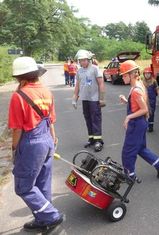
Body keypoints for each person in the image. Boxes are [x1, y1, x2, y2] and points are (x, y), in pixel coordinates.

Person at [8, 57, 63, 232]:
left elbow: (17, 129)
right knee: (42, 183)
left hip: (31, 143)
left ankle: (51, 216)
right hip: (47, 140)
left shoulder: (18, 96)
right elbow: (50, 120)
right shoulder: (47, 91)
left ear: (19, 77)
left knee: (23, 186)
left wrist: (14, 149)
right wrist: (53, 141)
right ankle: (42, 219)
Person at [119, 60, 159, 181]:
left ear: (131, 74)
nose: (122, 77)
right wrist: (126, 101)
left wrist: (128, 117)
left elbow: (144, 109)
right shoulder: (139, 85)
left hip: (136, 124)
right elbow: (137, 105)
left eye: (124, 75)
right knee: (140, 148)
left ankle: (130, 176)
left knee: (128, 151)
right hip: (141, 123)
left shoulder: (136, 90)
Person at [72, 49, 105, 152]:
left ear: (89, 59)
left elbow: (101, 84)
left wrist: (102, 99)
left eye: (84, 60)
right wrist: (74, 98)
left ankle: (98, 141)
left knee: (96, 119)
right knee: (88, 118)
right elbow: (77, 85)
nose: (82, 62)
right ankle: (91, 139)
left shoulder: (95, 69)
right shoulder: (79, 71)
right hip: (85, 99)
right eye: (80, 60)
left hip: (94, 99)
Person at [142, 66, 159, 132]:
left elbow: (157, 89)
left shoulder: (154, 81)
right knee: (144, 113)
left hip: (152, 100)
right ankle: (144, 125)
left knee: (151, 113)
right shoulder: (142, 82)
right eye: (146, 73)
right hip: (144, 100)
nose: (147, 75)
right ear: (144, 74)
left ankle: (150, 127)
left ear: (151, 74)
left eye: (148, 73)